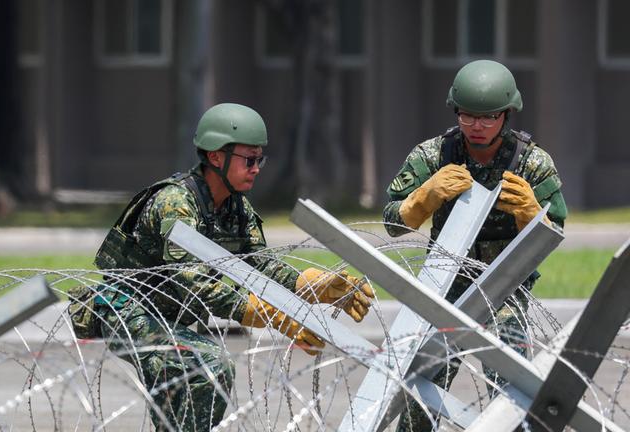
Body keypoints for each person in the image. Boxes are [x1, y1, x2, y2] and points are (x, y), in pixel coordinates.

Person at [94, 103, 375, 431]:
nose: (257, 168)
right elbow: (193, 282)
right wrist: (269, 315)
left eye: (260, 160)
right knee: (211, 366)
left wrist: (313, 284)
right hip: (131, 313)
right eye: (249, 160)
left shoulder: (235, 207)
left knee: (182, 411)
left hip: (176, 319)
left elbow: (260, 266)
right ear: (215, 156)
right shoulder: (175, 204)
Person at [382, 60, 567, 431]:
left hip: (504, 290)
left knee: (510, 396)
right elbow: (391, 222)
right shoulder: (434, 154)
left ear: (506, 115)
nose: (477, 127)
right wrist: (423, 198)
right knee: (423, 389)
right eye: (468, 117)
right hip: (445, 287)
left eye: (488, 118)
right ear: (456, 112)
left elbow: (556, 230)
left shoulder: (532, 162)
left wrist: (533, 216)